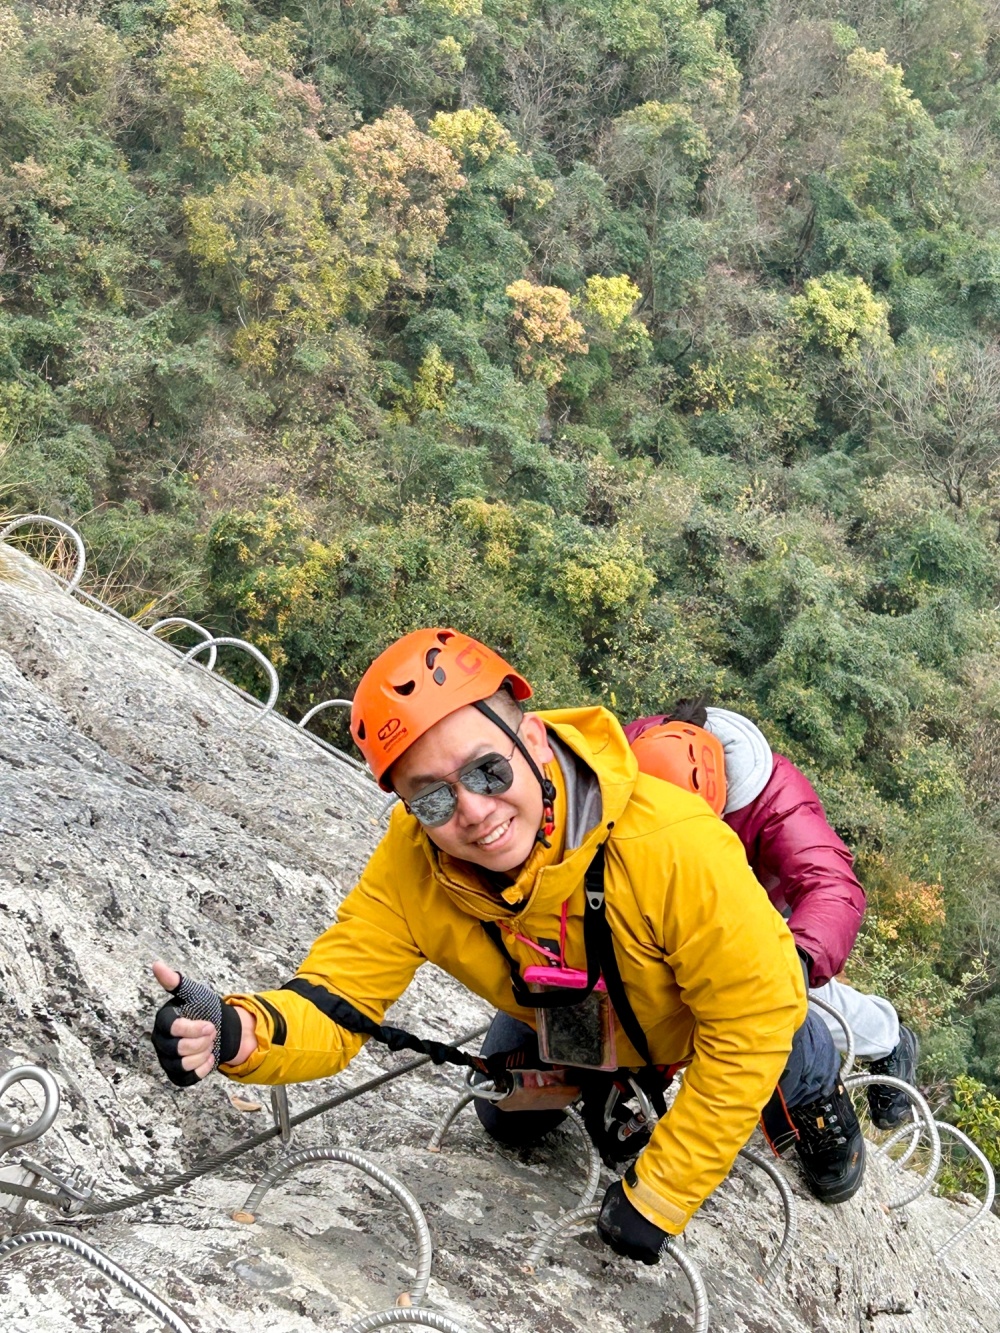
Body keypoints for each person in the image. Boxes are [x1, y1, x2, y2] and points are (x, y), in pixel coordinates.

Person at [150, 629, 864, 1266]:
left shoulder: (669, 844)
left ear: (537, 740)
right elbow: (337, 1003)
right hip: (578, 1014)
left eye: (487, 770)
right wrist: (242, 1031)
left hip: (705, 1011)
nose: (475, 812)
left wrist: (658, 1196)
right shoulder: (413, 867)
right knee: (505, 1117)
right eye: (431, 799)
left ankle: (816, 1097)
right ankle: (611, 1079)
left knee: (779, 1012)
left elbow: (750, 1018)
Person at [624, 700, 919, 1129]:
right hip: (654, 889)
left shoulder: (776, 795)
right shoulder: (640, 751)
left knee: (793, 994)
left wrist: (796, 959)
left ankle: (888, 1039)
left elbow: (831, 885)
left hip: (747, 906)